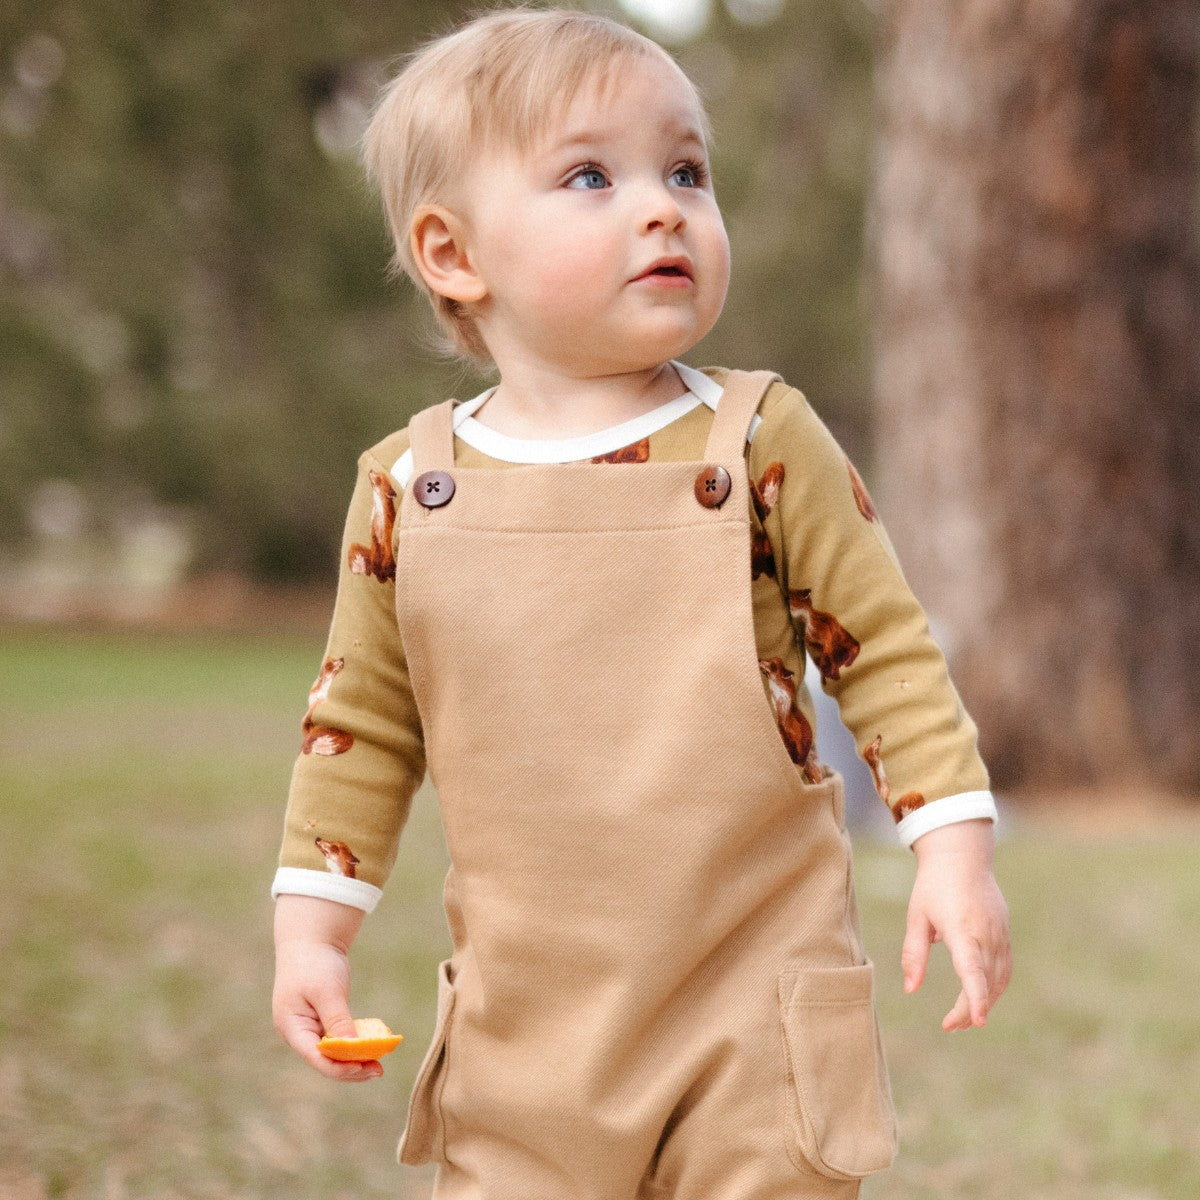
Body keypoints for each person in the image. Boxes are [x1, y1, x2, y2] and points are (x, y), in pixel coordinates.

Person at [271, 8, 1012, 1198]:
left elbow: (882, 653)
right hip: (529, 1029)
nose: (662, 205)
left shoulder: (760, 437)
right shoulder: (412, 488)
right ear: (453, 254)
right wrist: (313, 930)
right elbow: (357, 724)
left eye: (685, 170)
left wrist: (953, 850)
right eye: (589, 176)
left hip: (752, 1008)